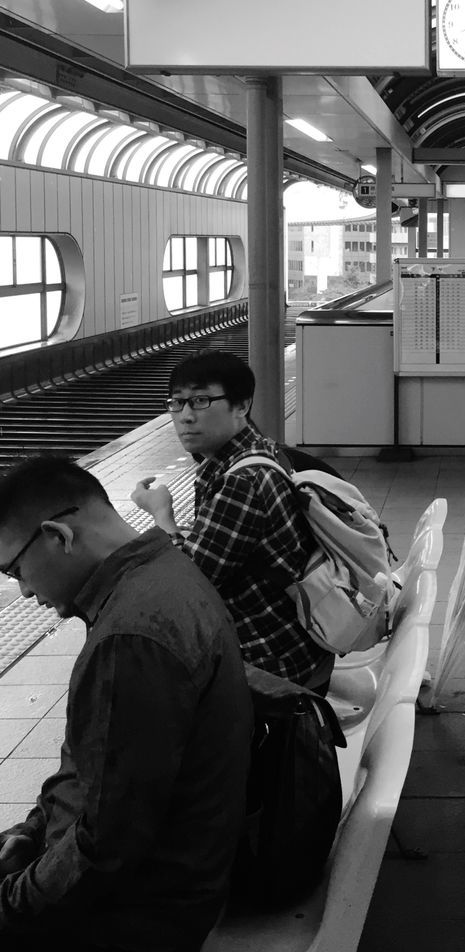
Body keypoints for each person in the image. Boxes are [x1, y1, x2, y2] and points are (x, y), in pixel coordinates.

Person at [0, 456, 252, 952]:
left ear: (59, 536)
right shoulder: (163, 567)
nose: (24, 590)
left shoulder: (130, 638)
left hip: (147, 909)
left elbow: (107, 847)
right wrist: (34, 830)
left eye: (16, 570)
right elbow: (100, 777)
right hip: (176, 867)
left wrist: (10, 904)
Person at [131, 350, 332, 690]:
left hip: (272, 664)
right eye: (176, 403)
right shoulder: (259, 451)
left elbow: (188, 586)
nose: (185, 416)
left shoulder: (242, 480)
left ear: (241, 406)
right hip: (299, 645)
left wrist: (161, 515)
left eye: (200, 401)